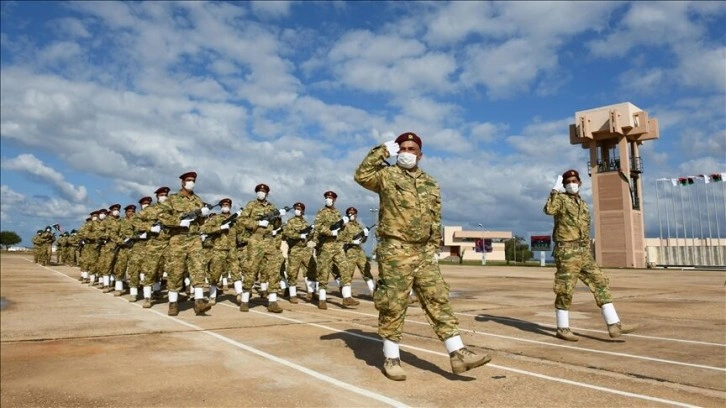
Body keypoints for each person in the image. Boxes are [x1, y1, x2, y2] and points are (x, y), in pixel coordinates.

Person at [354, 131, 491, 381]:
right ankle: (392, 357)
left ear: (420, 154)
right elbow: (361, 175)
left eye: (412, 149)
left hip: (424, 252)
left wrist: (433, 247)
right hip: (396, 250)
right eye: (402, 148)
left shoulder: (430, 182)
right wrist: (382, 151)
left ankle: (458, 353)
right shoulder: (386, 175)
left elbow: (435, 218)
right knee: (393, 303)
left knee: (438, 298)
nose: (407, 152)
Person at [543, 169, 639, 341]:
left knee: (600, 281)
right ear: (564, 184)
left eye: (574, 180)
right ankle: (562, 328)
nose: (571, 184)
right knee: (565, 289)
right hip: (567, 252)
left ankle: (614, 324)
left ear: (579, 183)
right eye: (568, 181)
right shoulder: (561, 200)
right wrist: (555, 191)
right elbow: (549, 209)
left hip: (583, 251)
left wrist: (587, 248)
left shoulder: (583, 203)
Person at [157, 172, 213, 316]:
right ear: (182, 182)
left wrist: (203, 215)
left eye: (193, 180)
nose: (191, 182)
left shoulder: (197, 200)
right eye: (188, 180)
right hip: (178, 238)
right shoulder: (173, 199)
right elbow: (162, 215)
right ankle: (173, 303)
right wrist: (178, 222)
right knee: (176, 271)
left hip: (194, 238)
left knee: (198, 268)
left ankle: (199, 302)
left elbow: (201, 223)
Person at [238, 183, 286, 313]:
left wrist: (278, 217)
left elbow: (276, 225)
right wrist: (257, 223)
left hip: (269, 240)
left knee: (274, 269)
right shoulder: (251, 205)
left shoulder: (272, 207)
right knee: (251, 268)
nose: (261, 193)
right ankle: (245, 300)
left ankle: (272, 302)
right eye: (259, 191)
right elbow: (241, 220)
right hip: (255, 239)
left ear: (267, 194)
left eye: (263, 191)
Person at [313, 191, 358, 310]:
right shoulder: (321, 212)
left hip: (337, 246)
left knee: (345, 269)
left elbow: (341, 230)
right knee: (324, 271)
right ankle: (322, 299)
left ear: (334, 200)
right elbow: (318, 226)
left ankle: (347, 297)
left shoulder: (338, 212)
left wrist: (344, 226)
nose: (328, 199)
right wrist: (329, 232)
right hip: (326, 245)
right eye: (326, 197)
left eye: (330, 198)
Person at [281, 202, 317, 304]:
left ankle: (311, 293)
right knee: (292, 272)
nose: (297, 210)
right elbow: (286, 232)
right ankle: (292, 295)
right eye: (296, 208)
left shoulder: (305, 223)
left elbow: (310, 236)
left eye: (299, 209)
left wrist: (311, 233)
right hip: (295, 249)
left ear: (303, 211)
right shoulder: (290, 221)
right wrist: (299, 235)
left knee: (311, 270)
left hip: (305, 249)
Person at [339, 206, 376, 297]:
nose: (351, 215)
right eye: (350, 213)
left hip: (359, 251)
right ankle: (346, 295)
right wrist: (352, 241)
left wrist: (366, 235)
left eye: (353, 213)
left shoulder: (359, 226)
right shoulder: (345, 226)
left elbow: (362, 241)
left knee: (366, 270)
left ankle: (373, 291)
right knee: (348, 273)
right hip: (350, 251)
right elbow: (340, 239)